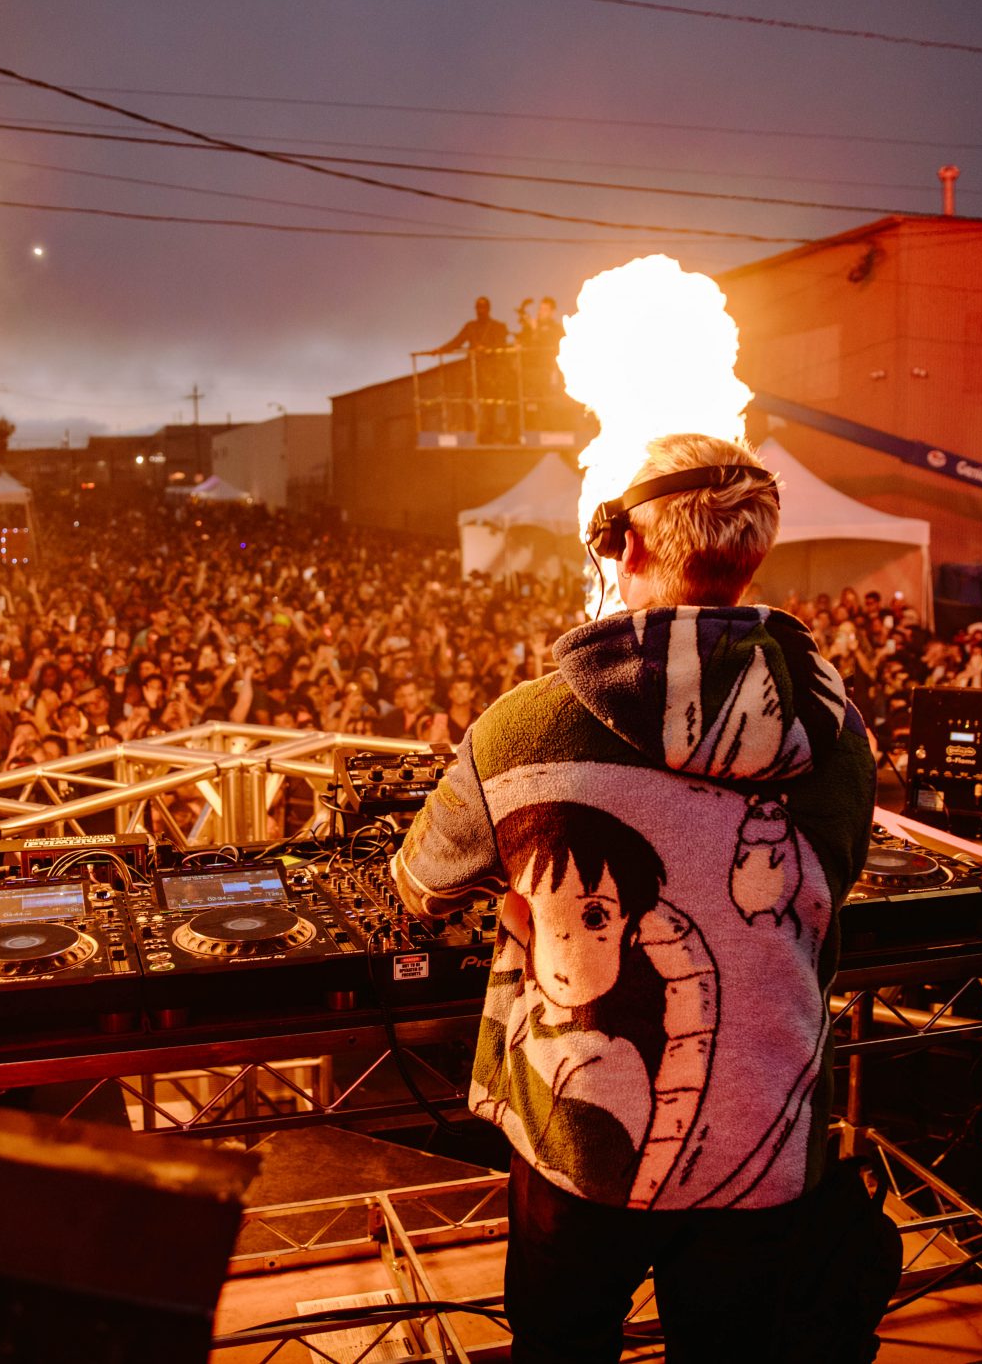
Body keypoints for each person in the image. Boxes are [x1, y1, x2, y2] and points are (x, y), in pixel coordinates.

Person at [390, 432, 879, 1362]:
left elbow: (422, 884)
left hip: (583, 1151)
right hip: (768, 1142)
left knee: (562, 1347)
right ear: (752, 554)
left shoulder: (524, 725)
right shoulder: (838, 731)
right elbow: (834, 879)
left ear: (625, 544)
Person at [420, 295, 510, 356]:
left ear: (488, 308)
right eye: (478, 307)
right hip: (474, 367)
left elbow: (502, 345)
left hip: (493, 369)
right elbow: (457, 341)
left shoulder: (498, 326)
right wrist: (440, 350)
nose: (480, 310)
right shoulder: (470, 326)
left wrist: (486, 349)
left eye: (483, 307)